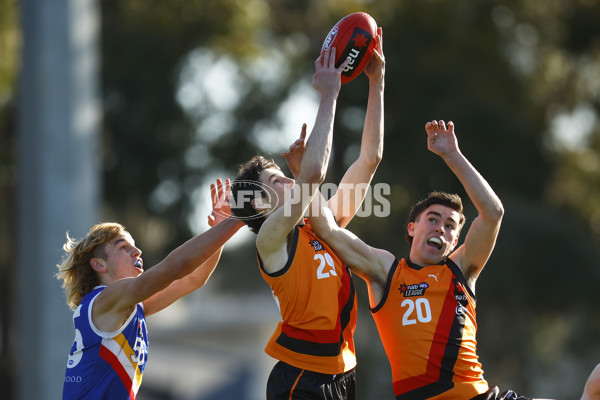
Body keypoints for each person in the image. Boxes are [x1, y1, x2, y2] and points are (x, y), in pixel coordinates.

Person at [308, 120, 553, 399]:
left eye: (450, 226)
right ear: (412, 228)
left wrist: (452, 155)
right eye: (433, 220)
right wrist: (305, 178)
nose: (441, 228)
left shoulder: (461, 269)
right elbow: (328, 229)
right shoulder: (386, 272)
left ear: (455, 241)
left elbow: (493, 213)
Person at [230, 30, 385, 400]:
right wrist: (329, 94)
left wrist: (377, 80)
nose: (287, 180)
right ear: (258, 204)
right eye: (276, 180)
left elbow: (369, 159)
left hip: (343, 374)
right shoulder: (271, 241)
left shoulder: (323, 224)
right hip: (301, 377)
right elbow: (313, 175)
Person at [57, 179, 244, 400]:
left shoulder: (128, 307)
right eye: (123, 247)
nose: (137, 251)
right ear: (99, 265)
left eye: (134, 245)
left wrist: (222, 225)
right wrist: (236, 220)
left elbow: (193, 278)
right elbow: (176, 267)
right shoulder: (104, 299)